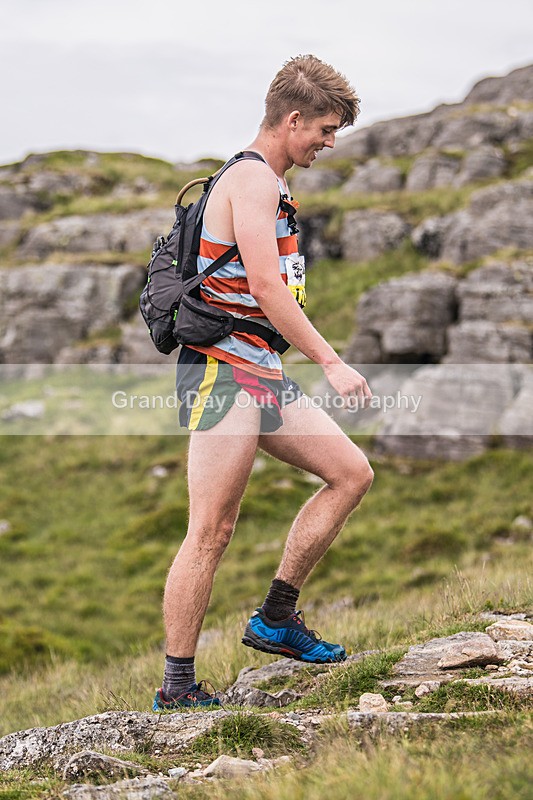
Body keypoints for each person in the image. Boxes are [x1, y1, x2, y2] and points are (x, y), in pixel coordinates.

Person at [153, 54, 374, 711]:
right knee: (211, 529)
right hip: (221, 369)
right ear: (293, 118)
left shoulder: (273, 185)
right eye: (325, 130)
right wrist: (330, 361)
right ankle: (177, 687)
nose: (328, 143)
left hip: (259, 370)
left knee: (350, 473)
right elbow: (266, 288)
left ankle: (276, 617)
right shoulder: (249, 180)